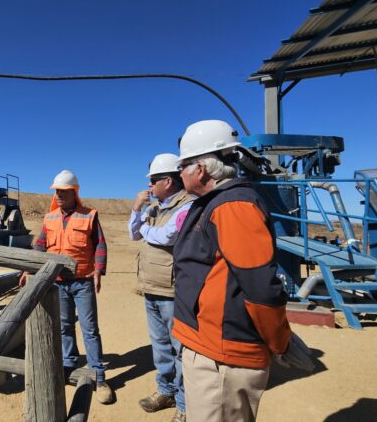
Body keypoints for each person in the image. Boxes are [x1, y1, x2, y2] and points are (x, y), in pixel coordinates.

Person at [172, 120, 292, 422]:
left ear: (201, 170)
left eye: (183, 165)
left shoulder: (233, 207)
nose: (179, 173)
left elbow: (260, 287)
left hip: (223, 357)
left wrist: (280, 342)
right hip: (209, 348)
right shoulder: (213, 204)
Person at [20, 169, 114, 405]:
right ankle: (69, 367)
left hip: (83, 282)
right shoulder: (50, 218)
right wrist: (28, 269)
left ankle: (99, 378)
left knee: (89, 329)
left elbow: (99, 244)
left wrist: (98, 270)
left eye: (64, 191)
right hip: (58, 283)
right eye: (57, 192)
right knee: (64, 327)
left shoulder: (89, 215)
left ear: (74, 193)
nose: (59, 195)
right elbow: (40, 246)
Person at [128, 153, 194, 421]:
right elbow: (133, 233)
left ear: (168, 181)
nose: (149, 186)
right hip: (151, 286)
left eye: (153, 180)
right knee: (160, 346)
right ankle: (166, 390)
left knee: (180, 348)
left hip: (172, 290)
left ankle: (185, 404)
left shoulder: (187, 205)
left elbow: (167, 236)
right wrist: (136, 211)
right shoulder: (154, 207)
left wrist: (145, 228)